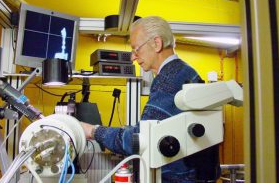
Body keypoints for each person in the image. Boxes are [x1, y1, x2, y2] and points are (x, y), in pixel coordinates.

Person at [80, 16, 220, 182]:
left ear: (156, 43)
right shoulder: (185, 71)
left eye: (136, 49)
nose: (132, 57)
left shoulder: (169, 79)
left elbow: (139, 139)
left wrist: (92, 131)